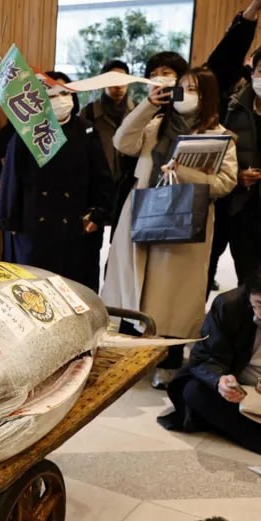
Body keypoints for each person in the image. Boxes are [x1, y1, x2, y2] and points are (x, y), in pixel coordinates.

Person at [101, 66, 238, 388]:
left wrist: (186, 173)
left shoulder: (221, 137)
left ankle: (169, 359)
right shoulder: (156, 125)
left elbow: (225, 183)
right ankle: (127, 358)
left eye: (194, 90)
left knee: (172, 296)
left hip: (184, 219)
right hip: (143, 211)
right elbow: (123, 143)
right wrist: (148, 104)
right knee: (133, 288)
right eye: (181, 88)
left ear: (207, 98)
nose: (185, 96)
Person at [0, 71, 113, 291]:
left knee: (74, 288)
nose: (60, 99)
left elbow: (101, 177)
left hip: (75, 223)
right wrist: (9, 222)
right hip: (34, 226)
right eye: (52, 95)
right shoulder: (25, 132)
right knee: (32, 288)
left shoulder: (86, 130)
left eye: (65, 92)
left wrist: (98, 213)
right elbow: (11, 180)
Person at [156, 272, 261, 456]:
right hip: (238, 385)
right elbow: (204, 357)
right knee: (194, 391)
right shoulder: (230, 306)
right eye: (259, 304)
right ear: (249, 294)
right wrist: (219, 380)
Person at [208, 0, 261, 294]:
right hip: (224, 200)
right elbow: (222, 62)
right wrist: (252, 10)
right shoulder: (231, 97)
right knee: (201, 274)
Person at [80, 59, 137, 233]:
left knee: (123, 238)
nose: (118, 86)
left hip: (127, 183)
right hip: (97, 184)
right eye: (112, 80)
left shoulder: (138, 112)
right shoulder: (89, 112)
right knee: (90, 239)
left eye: (123, 80)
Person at [221, 47, 261, 289]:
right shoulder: (233, 108)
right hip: (242, 206)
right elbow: (220, 154)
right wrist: (237, 176)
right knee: (247, 278)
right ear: (253, 73)